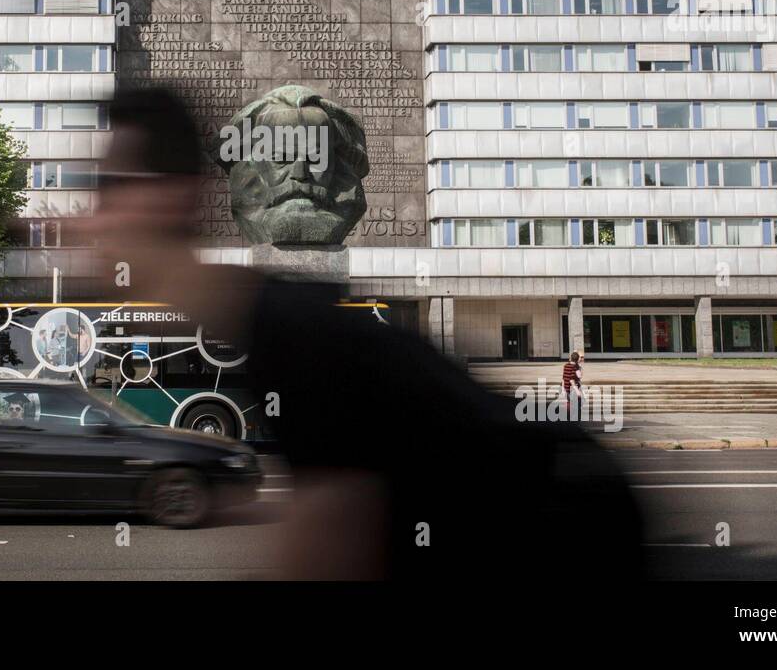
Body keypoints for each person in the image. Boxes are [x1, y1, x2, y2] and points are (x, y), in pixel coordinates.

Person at [84, 87, 644, 581]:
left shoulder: (290, 331)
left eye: (110, 186)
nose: (93, 212)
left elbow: (327, 551)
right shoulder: (268, 315)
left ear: (172, 195)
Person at [563, 351, 583, 419]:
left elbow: (563, 378)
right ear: (577, 359)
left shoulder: (566, 366)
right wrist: (577, 391)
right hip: (573, 390)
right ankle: (576, 422)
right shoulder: (575, 367)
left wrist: (563, 389)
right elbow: (579, 376)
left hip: (567, 390)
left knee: (570, 406)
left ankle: (569, 420)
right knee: (577, 407)